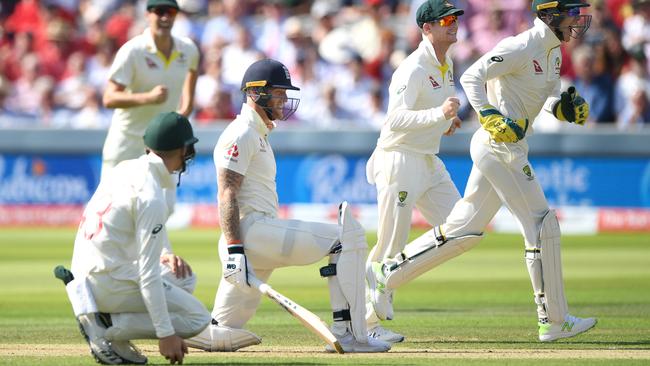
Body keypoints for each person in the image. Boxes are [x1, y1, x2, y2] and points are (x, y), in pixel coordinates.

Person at [367, 0, 598, 342]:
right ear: (550, 14)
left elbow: (541, 95)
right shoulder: (522, 44)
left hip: (509, 145)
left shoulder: (553, 53)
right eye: (571, 13)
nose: (577, 20)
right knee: (542, 223)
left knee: (465, 228)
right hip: (496, 145)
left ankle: (389, 272)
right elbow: (474, 75)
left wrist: (559, 107)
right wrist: (488, 114)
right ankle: (554, 318)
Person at [185, 58, 390, 353]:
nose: (283, 100)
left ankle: (180, 330)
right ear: (255, 93)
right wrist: (234, 249)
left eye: (284, 94)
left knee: (220, 332)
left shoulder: (258, 133)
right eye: (278, 93)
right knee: (348, 238)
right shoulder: (241, 132)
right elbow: (226, 192)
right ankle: (351, 335)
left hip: (254, 241)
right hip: (252, 235)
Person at [67, 112, 211, 365]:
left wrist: (165, 253)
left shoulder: (125, 168)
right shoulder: (151, 195)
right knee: (197, 318)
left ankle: (113, 328)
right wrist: (166, 334)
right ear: (182, 149)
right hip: (105, 281)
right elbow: (148, 274)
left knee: (183, 278)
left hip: (87, 273)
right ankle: (107, 326)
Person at [364, 0, 464, 343]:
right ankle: (367, 326)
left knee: (463, 227)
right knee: (389, 244)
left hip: (427, 158)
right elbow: (395, 119)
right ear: (427, 28)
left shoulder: (446, 63)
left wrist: (444, 124)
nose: (453, 24)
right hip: (399, 159)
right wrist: (439, 115)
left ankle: (389, 274)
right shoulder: (413, 67)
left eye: (455, 18)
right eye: (445, 20)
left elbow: (426, 116)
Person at [101, 0, 199, 180]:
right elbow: (109, 98)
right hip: (127, 143)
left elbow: (193, 71)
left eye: (170, 12)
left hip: (163, 148)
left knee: (162, 207)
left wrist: (185, 110)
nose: (165, 17)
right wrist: (148, 98)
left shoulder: (188, 50)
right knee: (115, 206)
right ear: (147, 15)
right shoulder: (132, 50)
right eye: (159, 11)